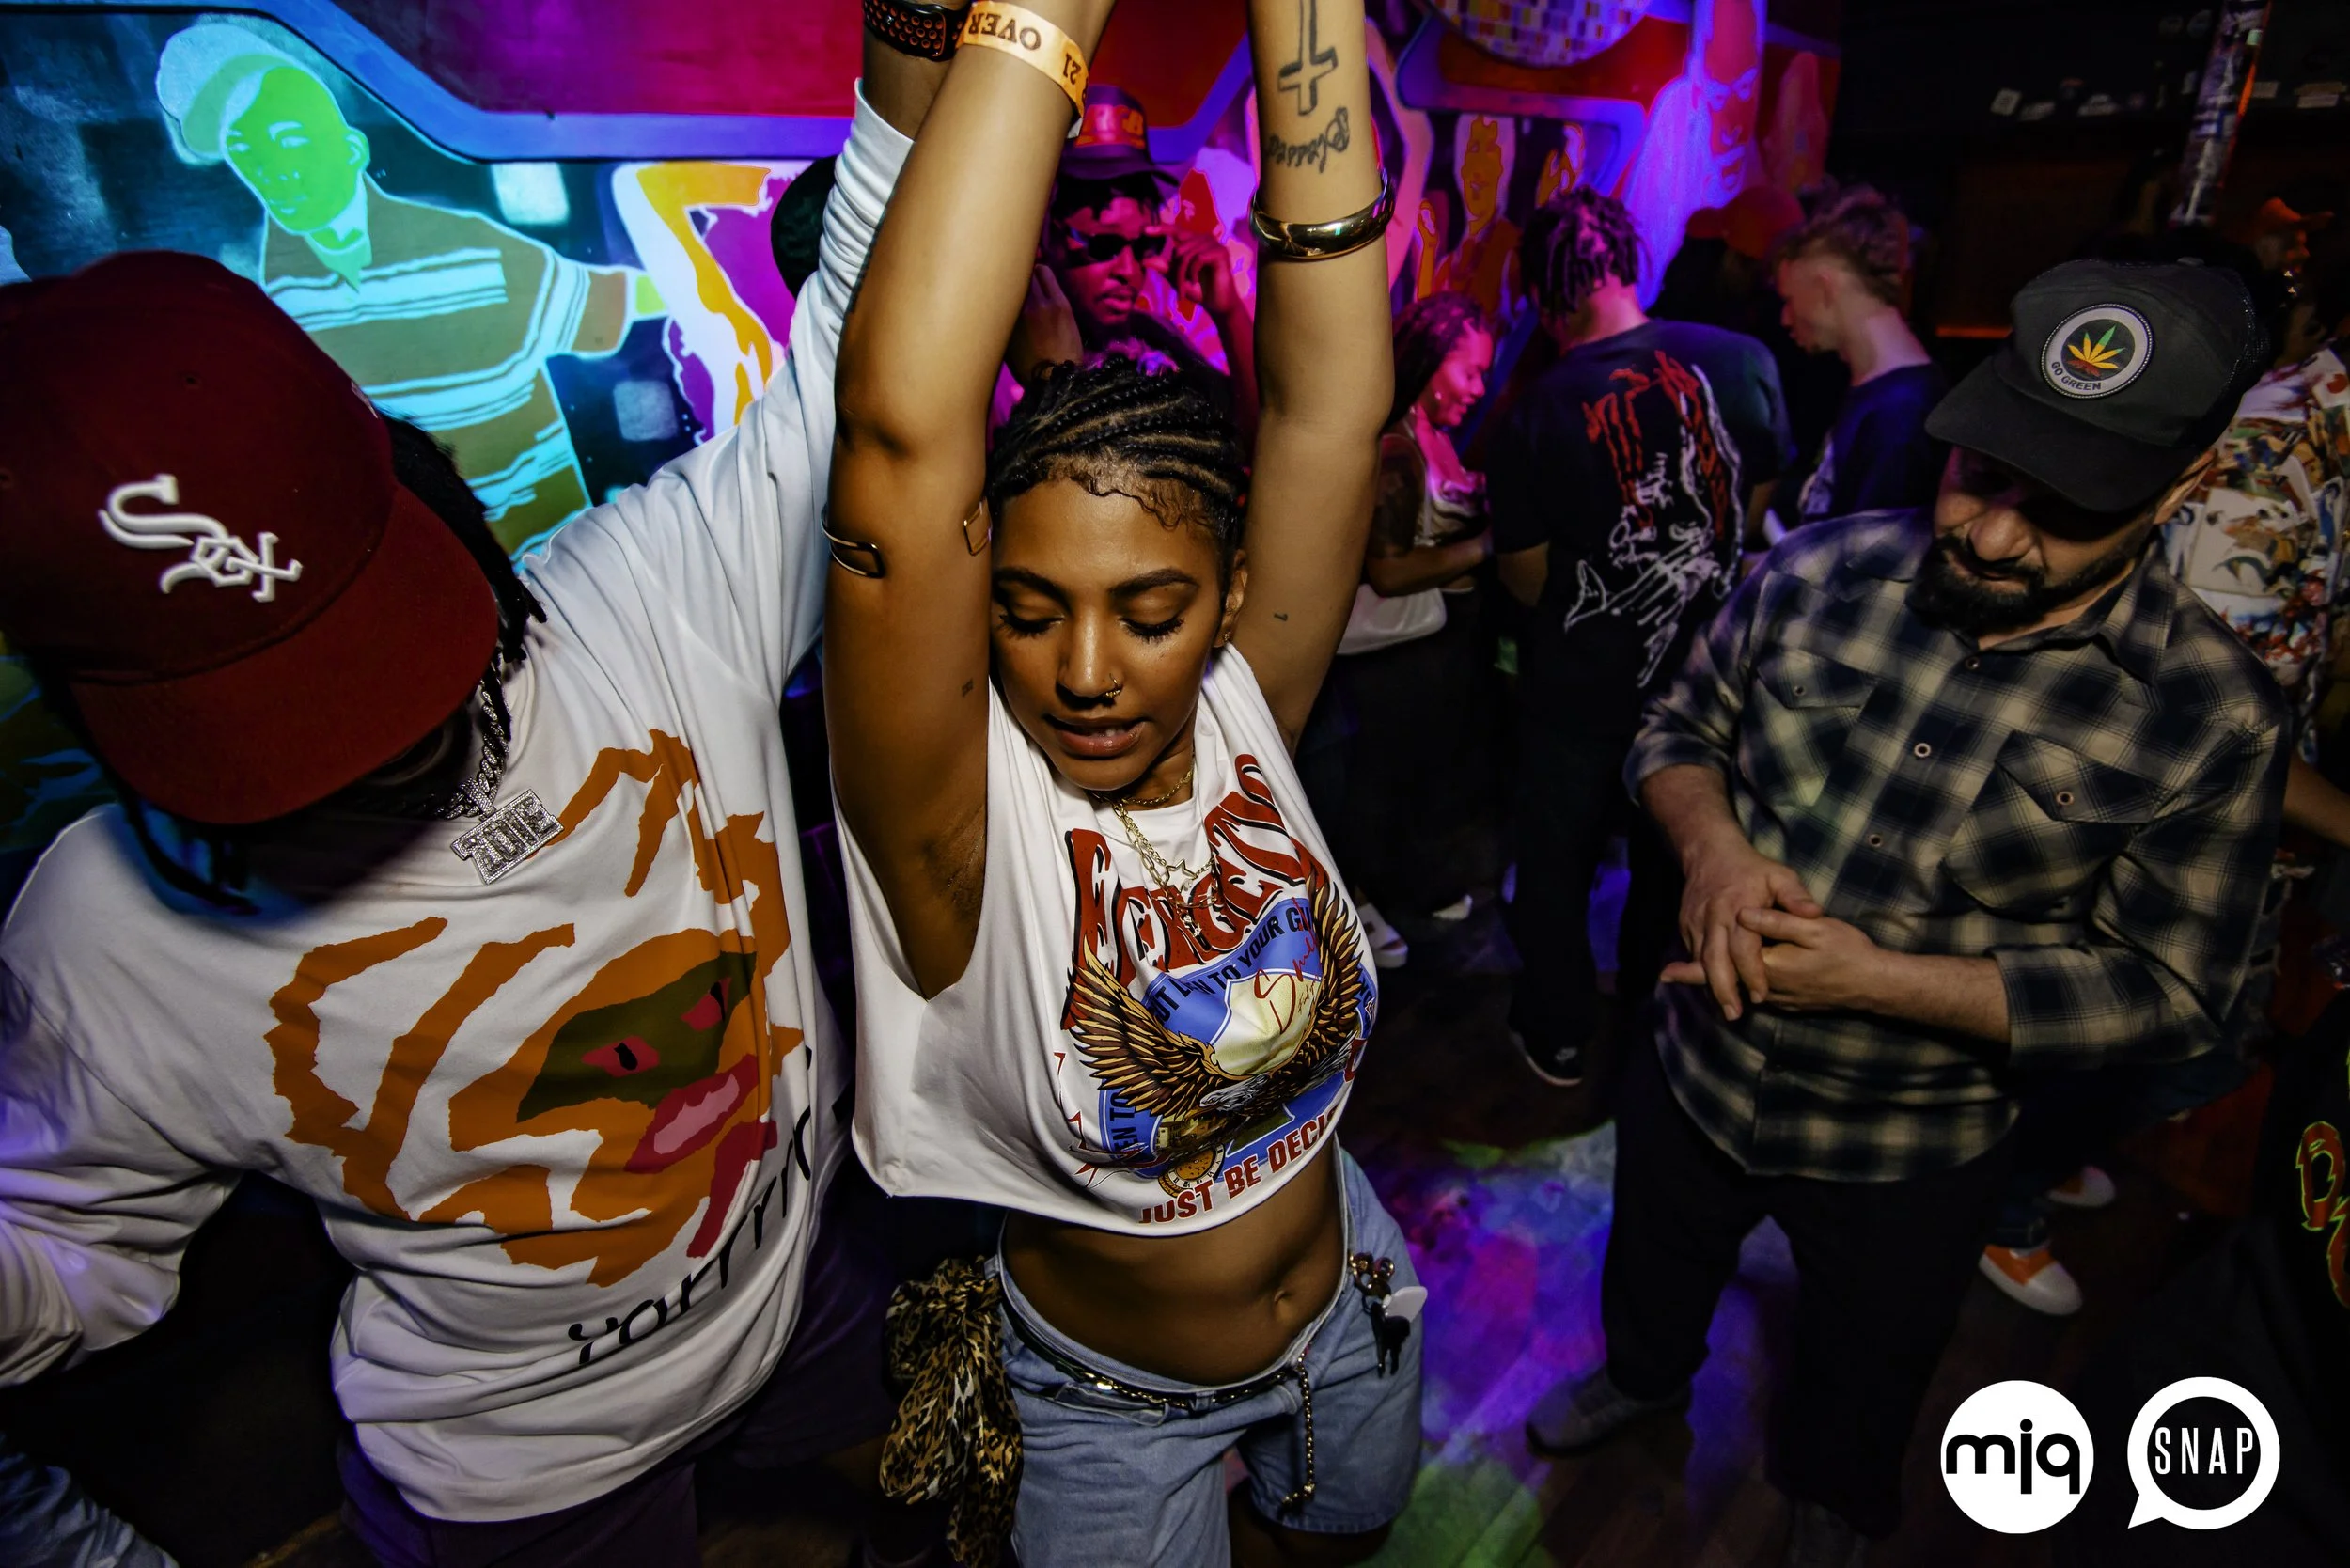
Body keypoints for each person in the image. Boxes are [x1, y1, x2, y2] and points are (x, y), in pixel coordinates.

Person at [0, 29, 943, 1562]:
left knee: (943, 1487)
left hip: (798, 1285)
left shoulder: (656, 594)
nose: (367, 746)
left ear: (416, 472)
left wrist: (925, 42)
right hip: (531, 1468)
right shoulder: (107, 930)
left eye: (368, 645)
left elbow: (879, 331)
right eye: (259, 719)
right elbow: (63, 1243)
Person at [1527, 259, 2287, 1567]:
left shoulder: (2210, 715)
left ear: (2181, 490)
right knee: (1650, 1268)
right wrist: (1711, 853)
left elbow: (2173, 993)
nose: (1988, 536)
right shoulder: (1817, 570)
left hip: (1911, 1144)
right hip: (1697, 1072)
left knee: (1864, 1371)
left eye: (2064, 510)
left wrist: (1877, 982)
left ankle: (1830, 1499)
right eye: (1980, 474)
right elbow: (1678, 728)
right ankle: (1643, 1381)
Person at [822, 0, 1418, 1562]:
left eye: (1149, 612)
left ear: (1227, 604)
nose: (1087, 670)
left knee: (1351, 1528)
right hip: (1112, 1410)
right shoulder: (955, 832)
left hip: (1353, 1301)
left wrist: (1308, 13)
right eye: (1029, 610)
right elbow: (901, 430)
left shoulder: (1245, 708)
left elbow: (1331, 410)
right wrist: (1042, 19)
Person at [1981, 263, 2350, 1315]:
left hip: (2214, 827)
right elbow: (2205, 728)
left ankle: (2032, 1160)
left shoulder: (2317, 452)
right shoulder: (2266, 465)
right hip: (2152, 830)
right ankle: (2002, 1194)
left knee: (2169, 1041)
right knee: (2179, 1042)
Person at [1487, 185, 1792, 1092]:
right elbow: (1751, 522)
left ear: (1544, 294)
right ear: (1630, 264)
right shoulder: (1743, 360)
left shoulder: (1536, 406)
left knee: (1557, 871)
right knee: (1679, 862)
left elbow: (1527, 578)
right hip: (1709, 688)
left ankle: (1559, 1031)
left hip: (1580, 694)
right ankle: (1653, 1015)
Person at [154, 23, 665, 552]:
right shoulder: (278, 308)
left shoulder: (470, 250)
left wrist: (707, 285)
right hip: (421, 582)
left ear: (352, 148)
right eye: (244, 150)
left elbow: (615, 302)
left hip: (550, 574)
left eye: (291, 141)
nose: (271, 169)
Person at [1324, 291, 1496, 964]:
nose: (1478, 388)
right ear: (1429, 361)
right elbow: (1389, 571)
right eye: (1469, 371)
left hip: (1435, 645)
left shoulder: (1436, 435)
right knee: (1378, 786)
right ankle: (1354, 904)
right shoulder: (1396, 448)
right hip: (1396, 652)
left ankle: (1407, 887)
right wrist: (1487, 546)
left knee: (1419, 779)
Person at [1042, 83, 1260, 444]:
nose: (1129, 271)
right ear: (1044, 235)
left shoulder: (1152, 335)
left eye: (1143, 244)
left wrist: (1228, 313)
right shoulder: (1005, 362)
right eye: (1104, 244)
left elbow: (1256, 437)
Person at [1772, 182, 1949, 531]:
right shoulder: (1880, 392)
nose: (1785, 319)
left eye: (1789, 300)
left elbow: (1869, 559)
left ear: (1824, 289)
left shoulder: (1899, 415)